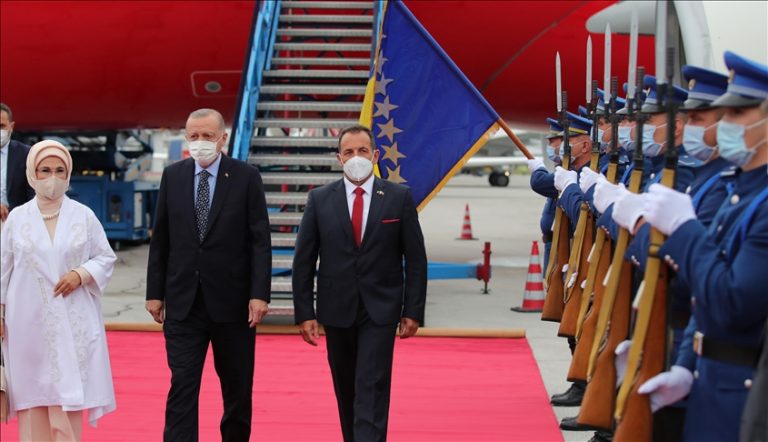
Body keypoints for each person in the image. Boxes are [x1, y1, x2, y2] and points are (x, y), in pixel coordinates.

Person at [637, 51, 768, 442]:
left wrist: (685, 229)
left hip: (741, 391)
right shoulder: (739, 192)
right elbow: (704, 298)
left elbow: (733, 301)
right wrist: (685, 364)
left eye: (737, 113)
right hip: (708, 378)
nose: (724, 124)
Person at [292, 124, 427, 442]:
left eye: (362, 151)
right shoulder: (319, 199)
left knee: (372, 384)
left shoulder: (398, 198)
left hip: (381, 309)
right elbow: (304, 260)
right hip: (336, 309)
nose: (356, 157)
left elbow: (416, 259)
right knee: (346, 387)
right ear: (339, 158)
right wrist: (305, 313)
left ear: (375, 155)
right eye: (349, 152)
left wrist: (413, 310)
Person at [145, 108, 272, 442]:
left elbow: (260, 240)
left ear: (222, 138)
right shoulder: (173, 176)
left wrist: (259, 294)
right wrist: (154, 293)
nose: (200, 142)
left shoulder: (245, 177)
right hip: (183, 303)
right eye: (194, 136)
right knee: (182, 383)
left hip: (233, 304)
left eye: (207, 136)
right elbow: (162, 238)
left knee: (236, 386)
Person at [0, 140, 117, 440]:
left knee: (68, 396)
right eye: (45, 170)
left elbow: (105, 257)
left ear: (68, 174)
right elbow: (2, 270)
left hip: (73, 320)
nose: (52, 177)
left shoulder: (83, 215)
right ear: (32, 172)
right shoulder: (17, 219)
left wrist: (81, 274)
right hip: (26, 323)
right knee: (32, 400)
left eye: (59, 170)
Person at [0, 103, 34, 222]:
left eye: (1, 126)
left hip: (17, 222)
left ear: (11, 126)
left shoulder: (26, 154)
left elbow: (33, 195)